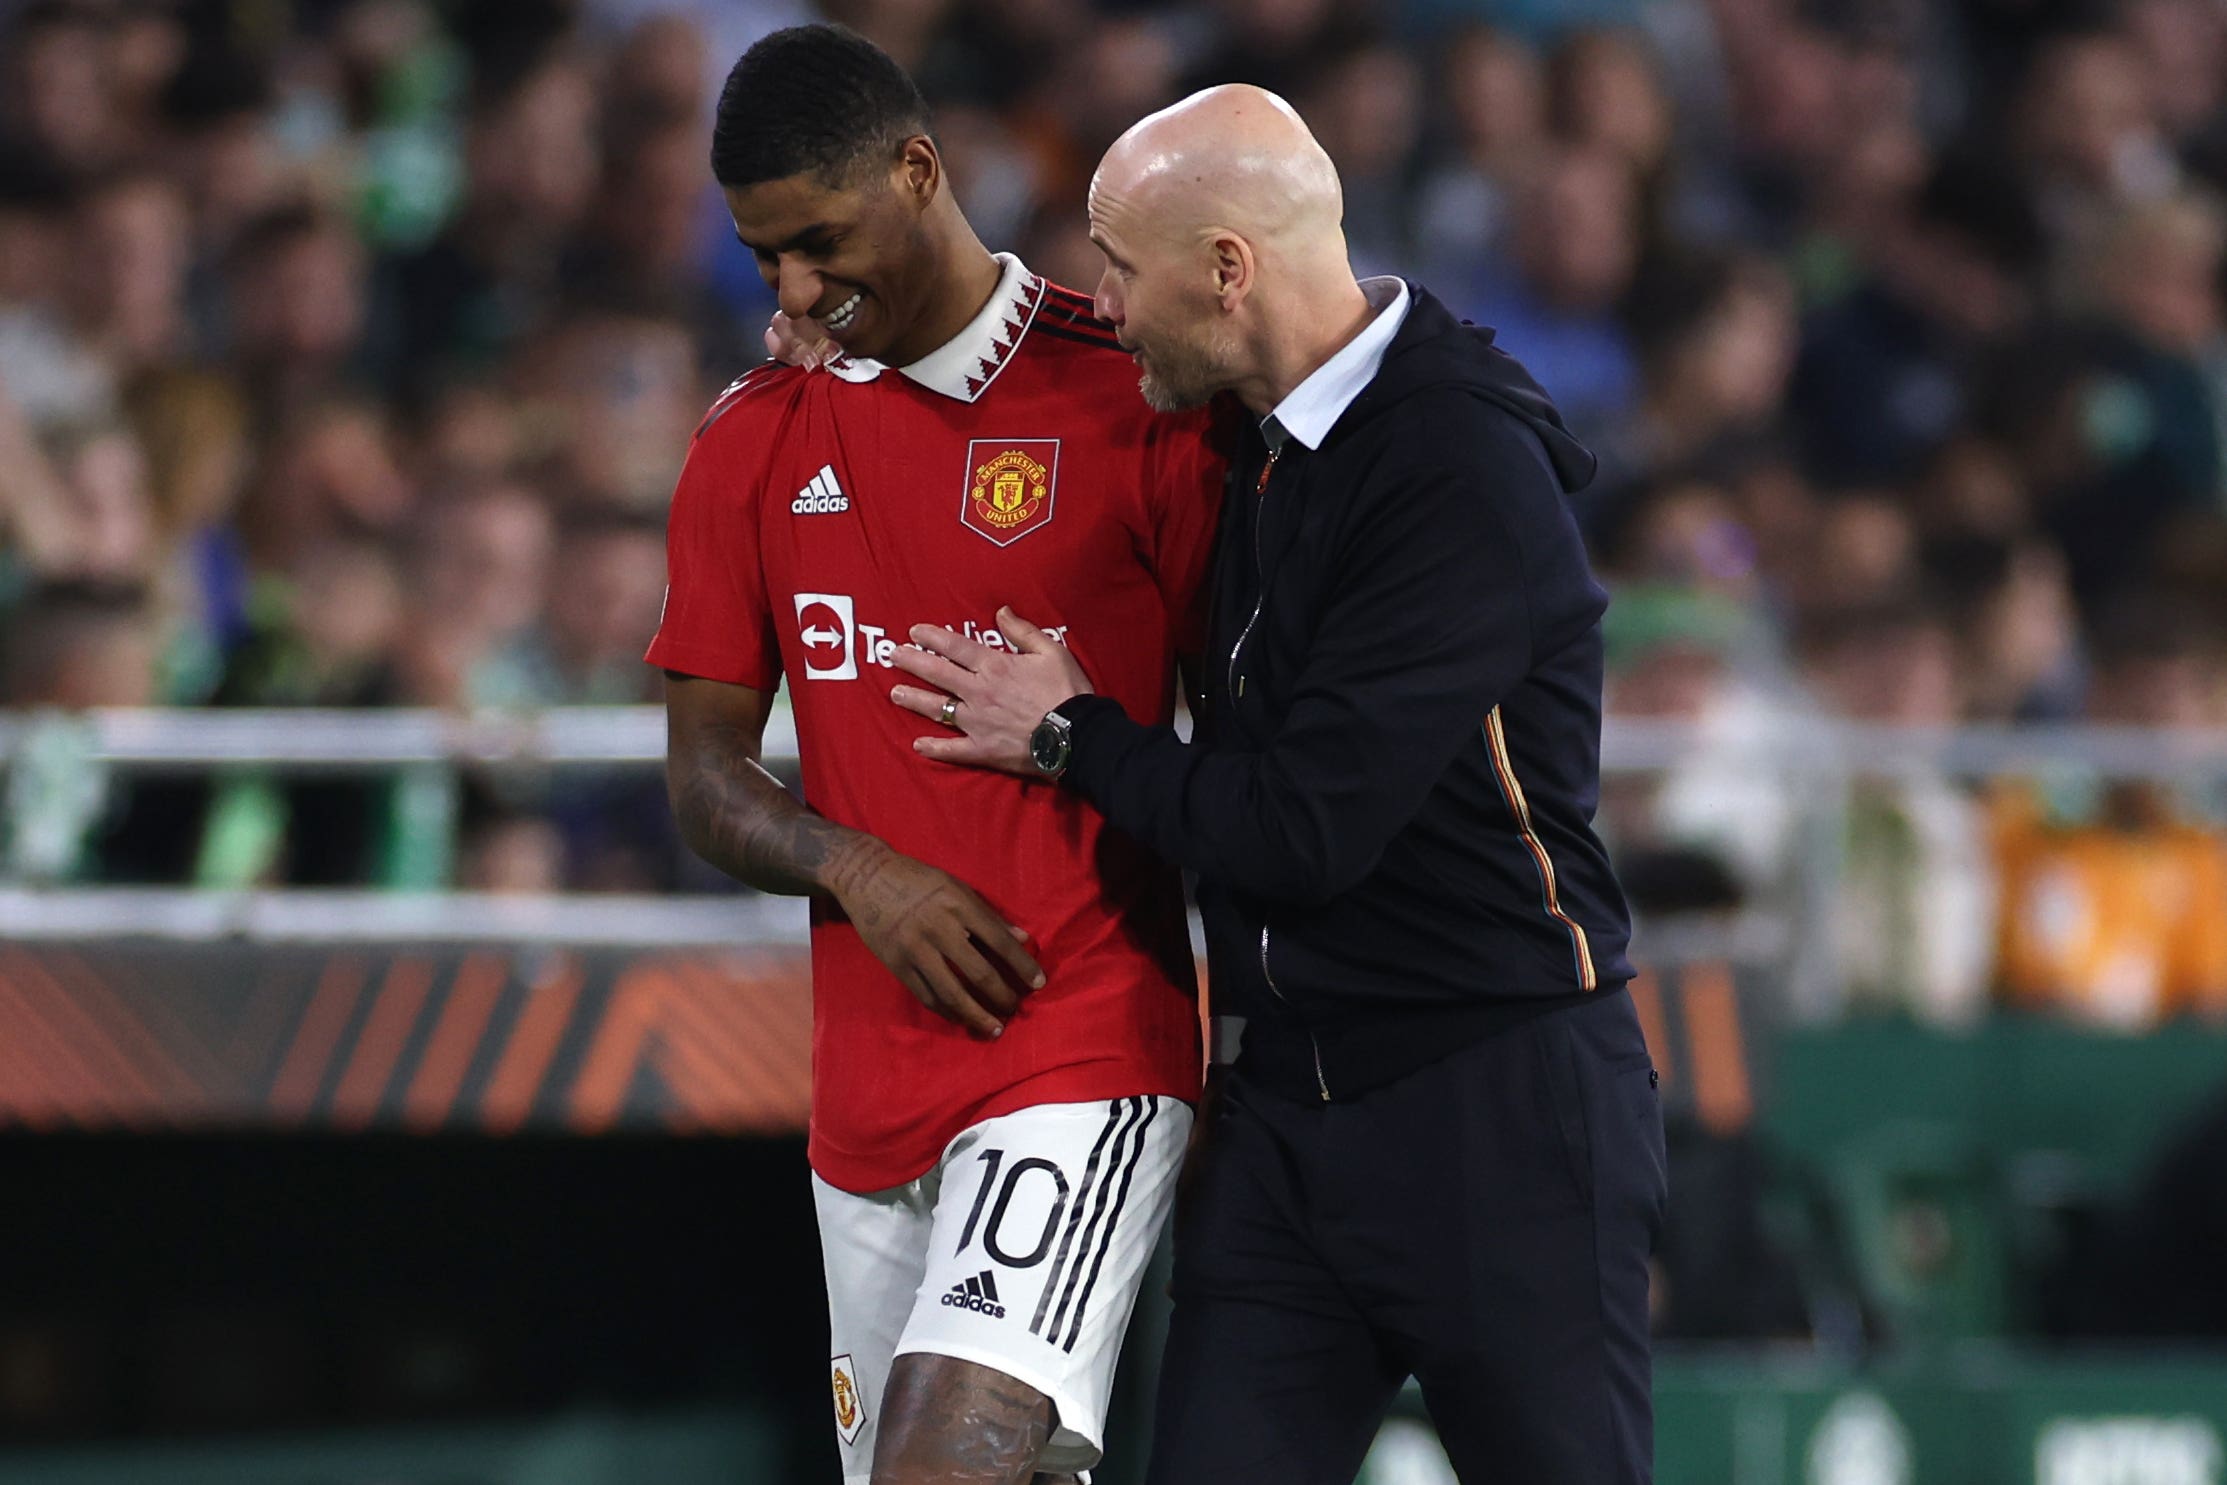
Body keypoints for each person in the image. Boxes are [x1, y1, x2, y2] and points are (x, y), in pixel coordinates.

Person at [884, 86, 1667, 1484]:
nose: (1109, 310)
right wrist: (850, 347)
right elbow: (1025, 372)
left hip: (1497, 1109)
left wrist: (1076, 735)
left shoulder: (1456, 465)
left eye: (1124, 271)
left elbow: (1307, 830)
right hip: (1290, 1123)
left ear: (1226, 269)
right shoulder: (1240, 426)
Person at [646, 26, 1226, 1485]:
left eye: (816, 240)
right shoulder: (750, 444)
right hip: (866, 1097)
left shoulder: (1131, 398)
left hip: (1081, 1038)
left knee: (943, 1465)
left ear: (919, 171)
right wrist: (860, 867)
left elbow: (1256, 734)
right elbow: (706, 781)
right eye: (761, 255)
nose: (790, 286)